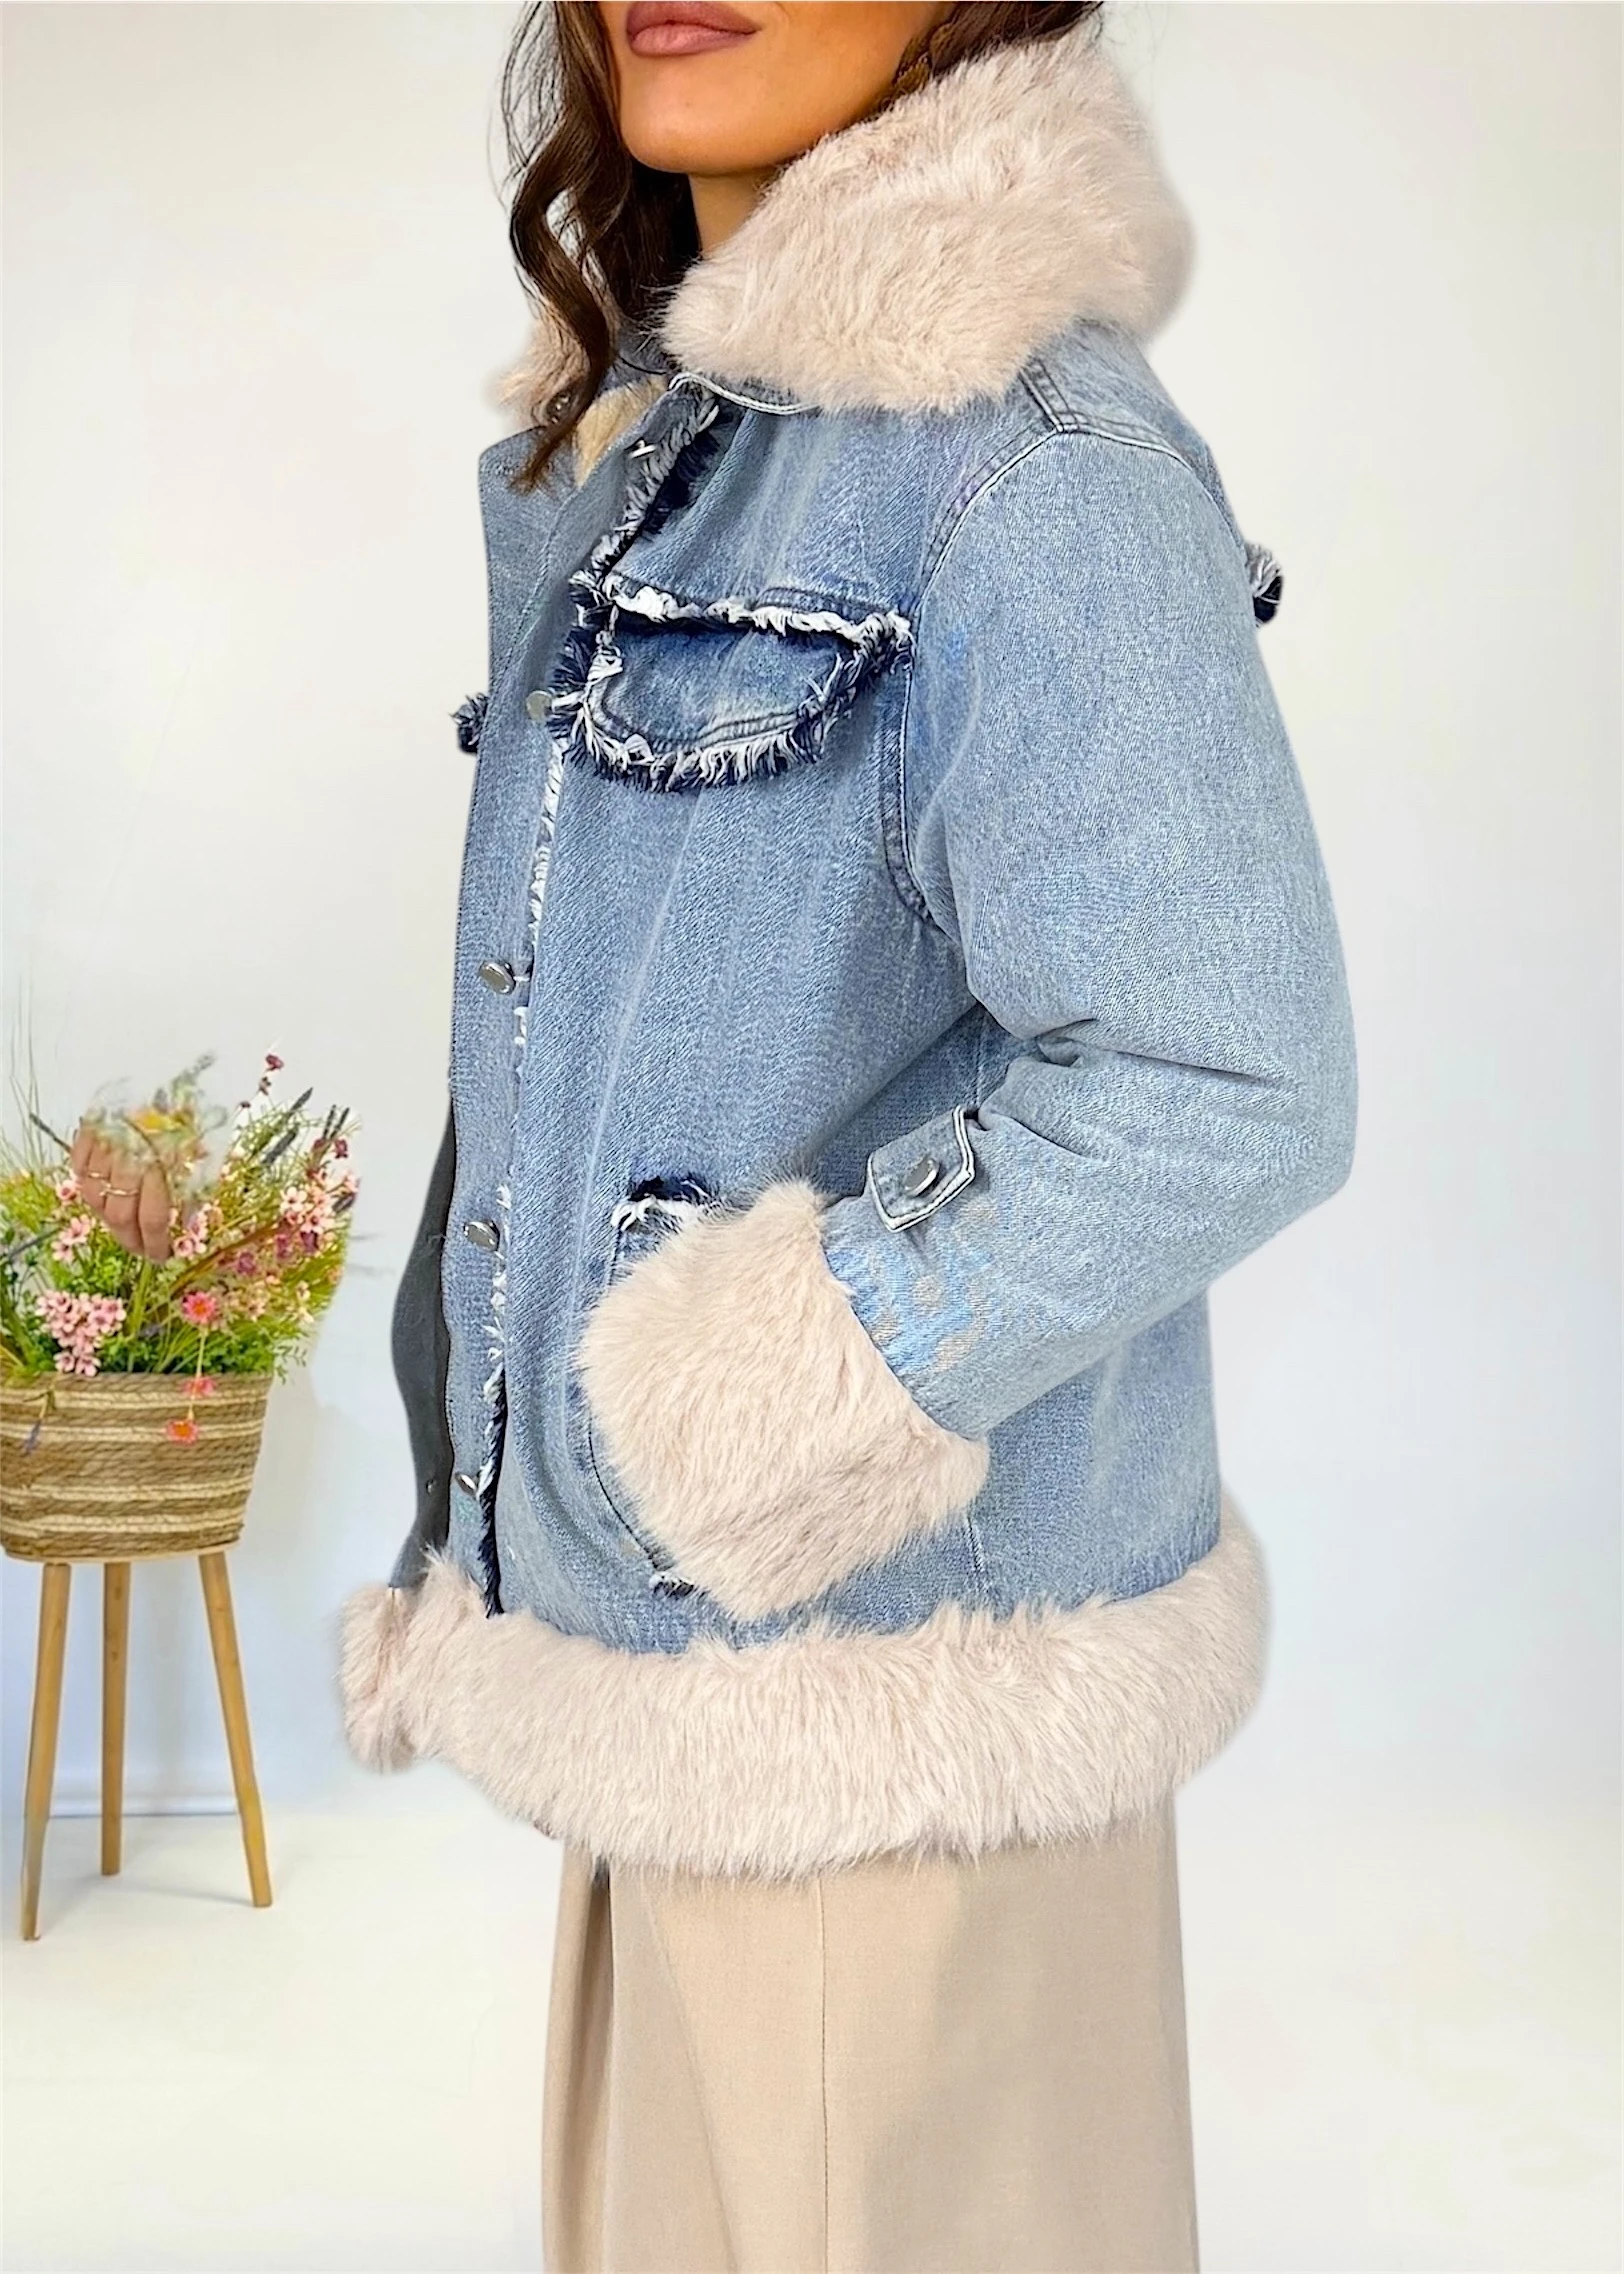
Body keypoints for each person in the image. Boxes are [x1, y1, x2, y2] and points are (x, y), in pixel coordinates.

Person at [84, 5, 1358, 2267]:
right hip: (693, 1696)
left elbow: (1227, 1070)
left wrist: (760, 1401)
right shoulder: (693, 446)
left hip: (898, 1745)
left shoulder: (1025, 464)